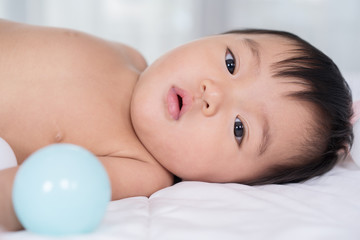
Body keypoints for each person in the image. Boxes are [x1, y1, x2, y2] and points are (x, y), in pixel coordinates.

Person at [0, 19, 353, 231]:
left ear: (230, 182)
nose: (213, 93)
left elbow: (32, 193)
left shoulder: (141, 169)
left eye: (239, 129)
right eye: (231, 63)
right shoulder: (127, 54)